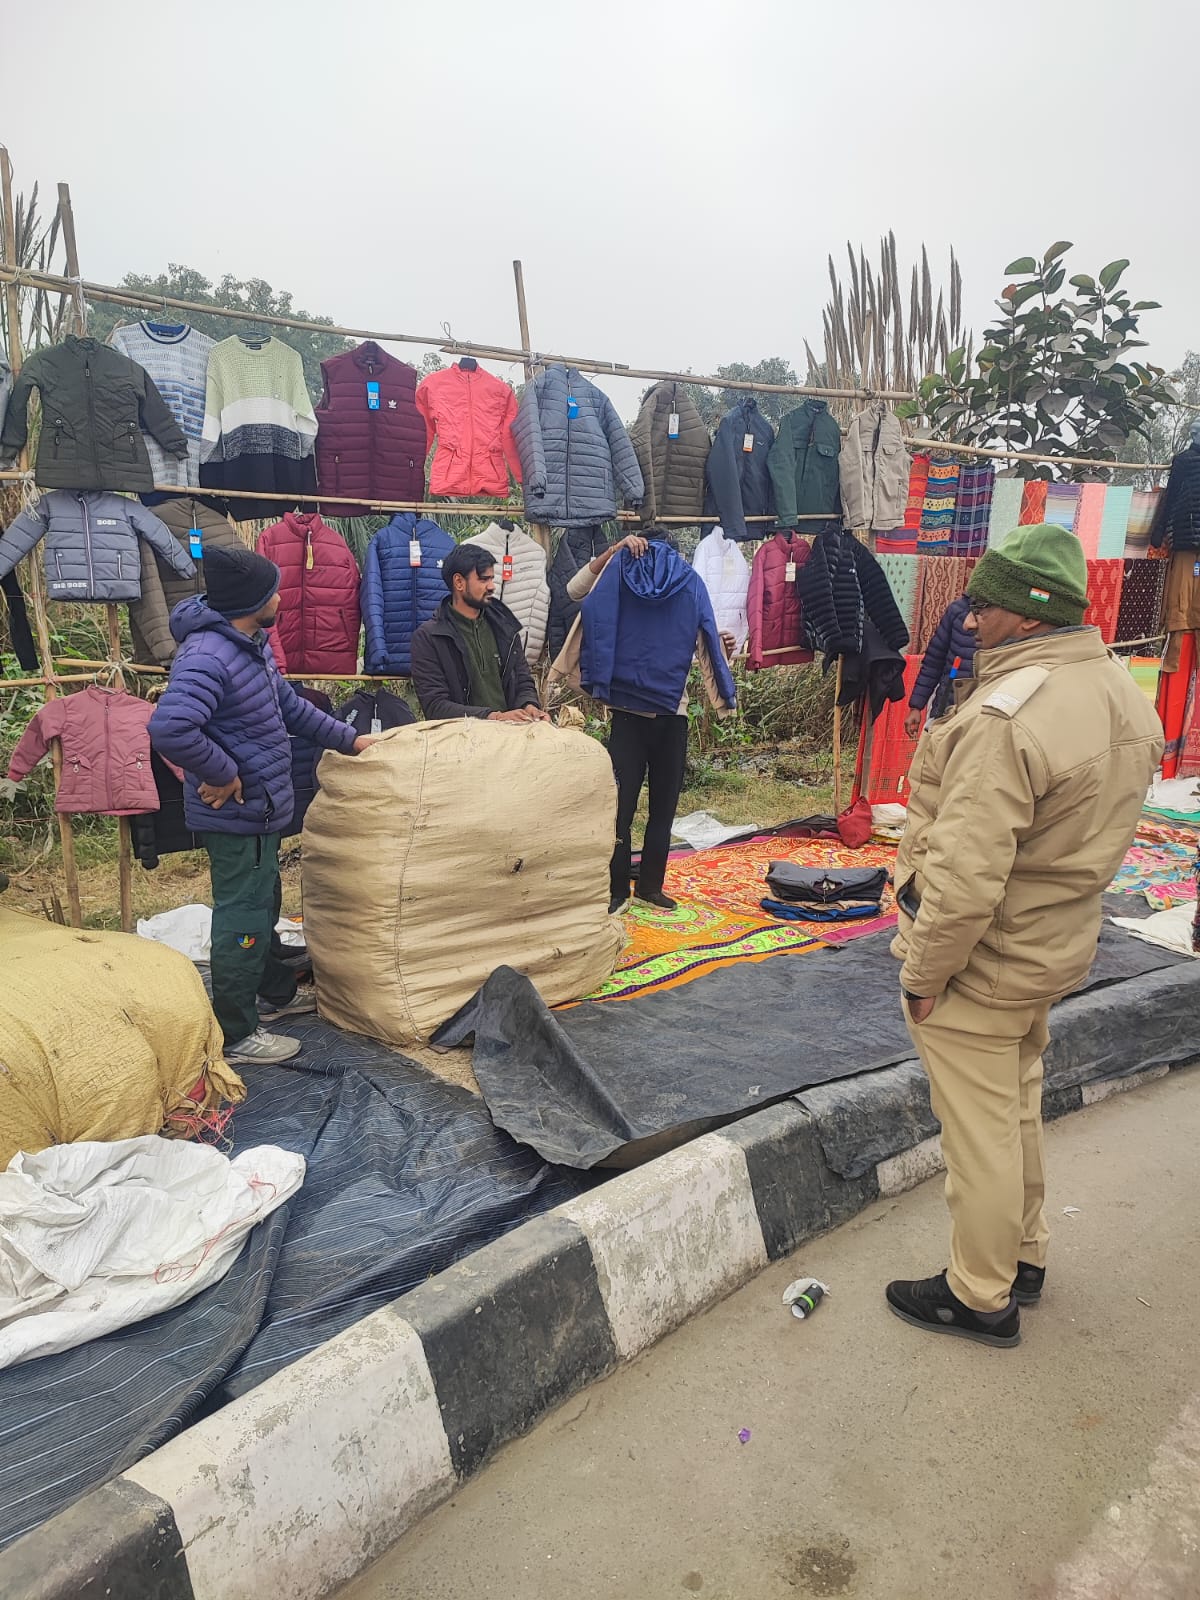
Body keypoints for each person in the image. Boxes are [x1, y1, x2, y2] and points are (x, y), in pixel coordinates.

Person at [888, 523, 1162, 1348]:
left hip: (984, 960)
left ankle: (979, 1293)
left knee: (979, 1134)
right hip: (1053, 943)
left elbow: (965, 876)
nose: (970, 620)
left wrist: (923, 974)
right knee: (1015, 1109)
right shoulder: (1118, 690)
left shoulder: (1008, 717)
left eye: (985, 606)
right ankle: (1024, 1257)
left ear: (1031, 614)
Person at [149, 544, 377, 1067]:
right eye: (273, 591)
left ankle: (274, 995)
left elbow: (289, 706)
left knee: (264, 904)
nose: (280, 598)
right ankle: (236, 1032)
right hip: (238, 813)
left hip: (261, 807)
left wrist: (350, 740)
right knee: (243, 920)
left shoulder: (249, 643)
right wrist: (222, 772)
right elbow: (171, 728)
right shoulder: (210, 655)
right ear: (252, 601)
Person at [550, 532, 736, 914]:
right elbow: (575, 589)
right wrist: (614, 552)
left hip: (659, 713)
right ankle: (618, 888)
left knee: (654, 808)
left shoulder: (677, 582)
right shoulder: (632, 573)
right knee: (625, 807)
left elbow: (698, 641)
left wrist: (721, 651)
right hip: (638, 715)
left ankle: (648, 886)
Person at [410, 543, 549, 723]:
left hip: (512, 732)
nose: (491, 587)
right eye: (483, 580)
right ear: (459, 582)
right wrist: (494, 717)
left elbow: (523, 681)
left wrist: (529, 707)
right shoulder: (429, 638)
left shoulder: (505, 626)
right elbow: (435, 706)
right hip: (461, 735)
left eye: (492, 579)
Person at [903, 593, 974, 739]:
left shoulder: (1009, 619)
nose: (970, 624)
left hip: (980, 717)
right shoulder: (957, 611)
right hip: (945, 711)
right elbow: (933, 662)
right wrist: (916, 706)